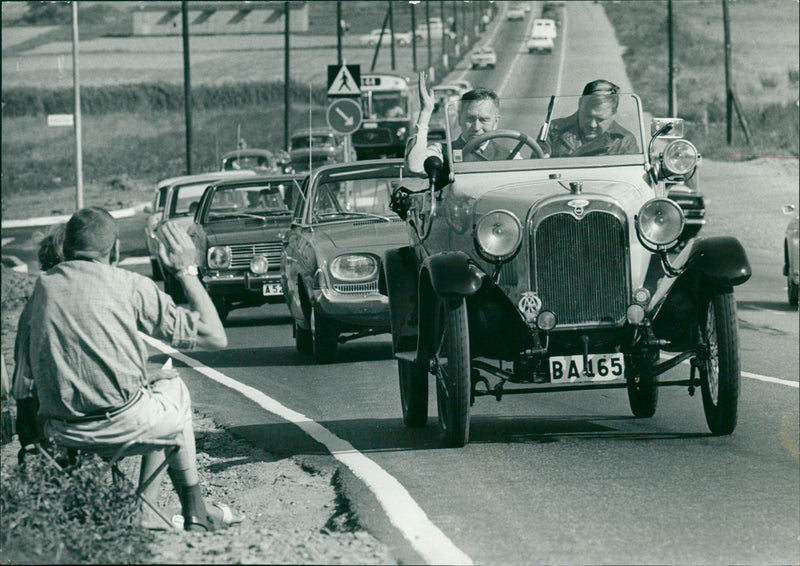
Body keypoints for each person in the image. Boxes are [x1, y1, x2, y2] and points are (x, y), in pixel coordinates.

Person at [17, 206, 238, 532]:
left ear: (64, 249)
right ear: (116, 250)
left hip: (63, 432)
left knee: (154, 386)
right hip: (127, 429)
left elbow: (28, 377)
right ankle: (193, 510)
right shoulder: (130, 285)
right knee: (174, 386)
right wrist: (186, 270)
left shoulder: (40, 292)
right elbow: (214, 336)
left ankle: (151, 511)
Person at [406, 71, 506, 189]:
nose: (476, 127)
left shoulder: (510, 156)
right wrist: (426, 112)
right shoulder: (442, 152)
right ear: (459, 119)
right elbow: (414, 165)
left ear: (496, 122)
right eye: (470, 119)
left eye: (484, 120)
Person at [543, 79, 639, 158]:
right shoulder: (554, 129)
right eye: (587, 116)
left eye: (600, 119)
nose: (592, 124)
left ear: (613, 114)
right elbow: (535, 171)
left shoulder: (624, 141)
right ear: (580, 104)